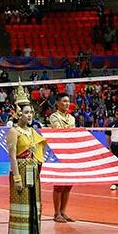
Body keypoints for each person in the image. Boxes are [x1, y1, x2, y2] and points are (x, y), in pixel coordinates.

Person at [6, 83, 45, 234]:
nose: (30, 115)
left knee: (33, 205)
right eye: (26, 112)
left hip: (32, 171)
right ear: (19, 113)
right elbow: (12, 156)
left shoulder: (31, 132)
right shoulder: (14, 132)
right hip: (21, 170)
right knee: (21, 205)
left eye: (31, 112)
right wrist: (16, 178)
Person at [48, 92, 76, 223]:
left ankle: (64, 212)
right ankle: (56, 213)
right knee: (59, 185)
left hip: (70, 153)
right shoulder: (54, 117)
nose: (66, 103)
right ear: (58, 103)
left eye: (68, 101)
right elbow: (60, 132)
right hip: (58, 153)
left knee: (68, 185)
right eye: (64, 101)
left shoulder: (72, 118)